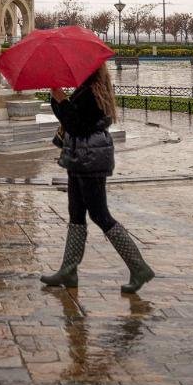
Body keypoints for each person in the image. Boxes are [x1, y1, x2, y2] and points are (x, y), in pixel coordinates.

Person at [41, 62, 154, 293]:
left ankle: (138, 266)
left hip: (89, 159)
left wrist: (61, 98)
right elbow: (70, 120)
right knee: (76, 213)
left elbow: (77, 126)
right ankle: (69, 270)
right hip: (79, 158)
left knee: (100, 214)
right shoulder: (89, 88)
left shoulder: (92, 93)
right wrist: (57, 98)